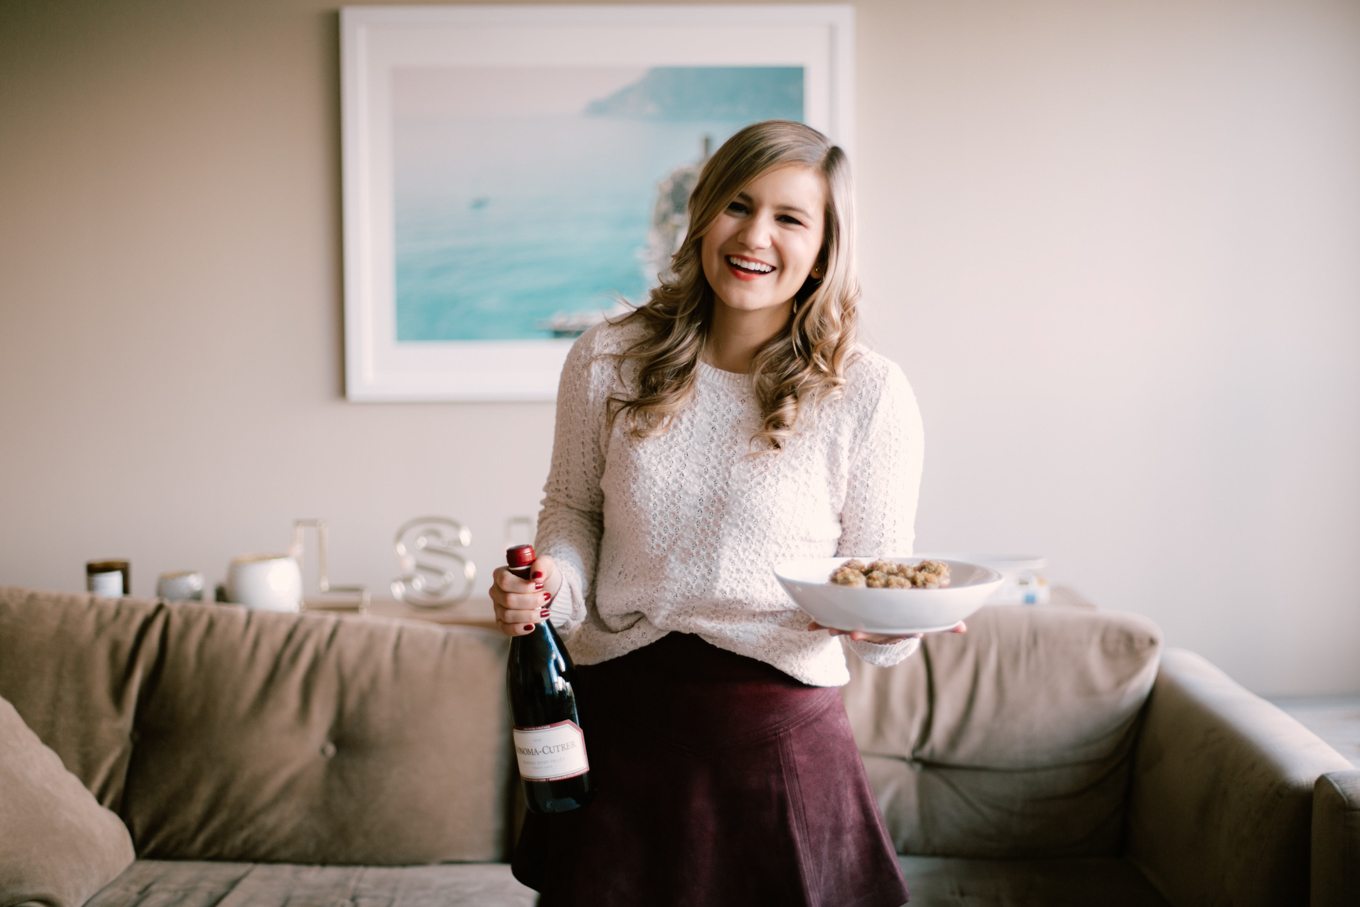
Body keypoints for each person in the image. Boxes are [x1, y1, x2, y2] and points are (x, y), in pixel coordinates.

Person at [489, 120, 950, 907]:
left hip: (777, 744)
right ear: (701, 214)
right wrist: (547, 588)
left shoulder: (870, 394)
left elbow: (878, 585)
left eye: (790, 217)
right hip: (620, 726)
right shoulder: (607, 356)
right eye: (738, 205)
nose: (755, 236)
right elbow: (572, 514)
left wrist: (894, 622)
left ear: (825, 246)